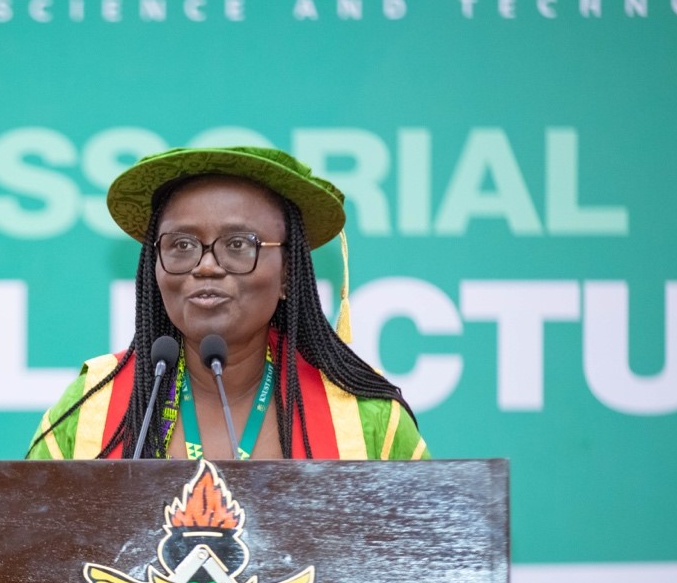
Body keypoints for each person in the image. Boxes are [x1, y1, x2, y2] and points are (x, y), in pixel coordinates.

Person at [26, 146, 428, 461]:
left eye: (238, 245)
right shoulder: (94, 407)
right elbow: (22, 555)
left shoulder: (365, 417)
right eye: (181, 245)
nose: (205, 266)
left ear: (288, 273)